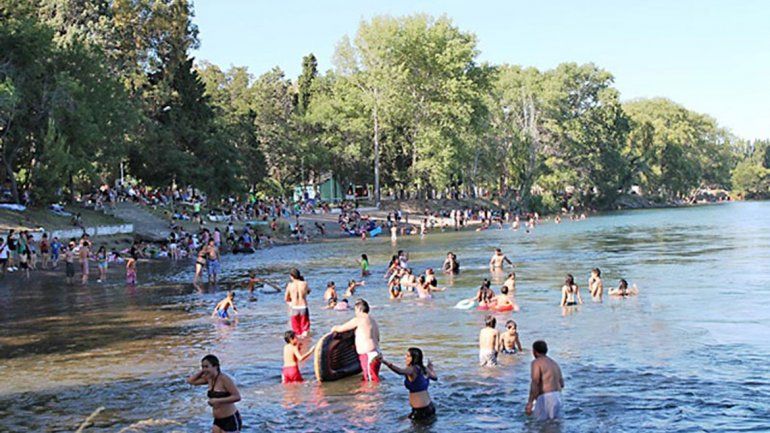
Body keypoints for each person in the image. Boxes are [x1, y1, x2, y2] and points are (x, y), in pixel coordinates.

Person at [187, 354, 242, 433]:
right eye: (202, 367)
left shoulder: (224, 379)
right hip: (218, 420)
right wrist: (203, 371)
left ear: (215, 366)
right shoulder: (209, 379)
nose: (204, 369)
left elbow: (237, 397)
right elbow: (191, 381)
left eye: (206, 366)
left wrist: (218, 401)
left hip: (230, 419)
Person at [381, 348, 438, 422]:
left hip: (420, 411)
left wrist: (384, 362)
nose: (405, 357)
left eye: (408, 356)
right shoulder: (424, 369)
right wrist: (430, 367)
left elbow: (400, 371)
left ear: (414, 358)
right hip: (429, 407)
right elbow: (435, 378)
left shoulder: (412, 369)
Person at [331, 299, 381, 381]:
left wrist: (334, 328)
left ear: (359, 309)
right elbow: (378, 338)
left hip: (368, 355)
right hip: (376, 353)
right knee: (371, 379)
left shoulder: (360, 319)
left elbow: (341, 328)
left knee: (371, 382)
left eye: (355, 310)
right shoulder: (372, 320)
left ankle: (375, 394)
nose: (355, 313)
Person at [525, 340, 564, 421]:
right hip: (558, 397)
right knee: (555, 425)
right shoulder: (554, 363)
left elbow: (535, 382)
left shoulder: (536, 363)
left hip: (546, 398)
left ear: (534, 351)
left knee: (541, 425)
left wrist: (530, 402)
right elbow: (562, 384)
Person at [284, 268, 311, 337]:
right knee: (305, 329)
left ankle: (299, 343)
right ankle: (305, 343)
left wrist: (290, 303)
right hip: (303, 307)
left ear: (291, 276)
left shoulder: (290, 285)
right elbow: (308, 291)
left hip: (294, 307)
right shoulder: (304, 283)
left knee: (296, 331)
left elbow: (286, 298)